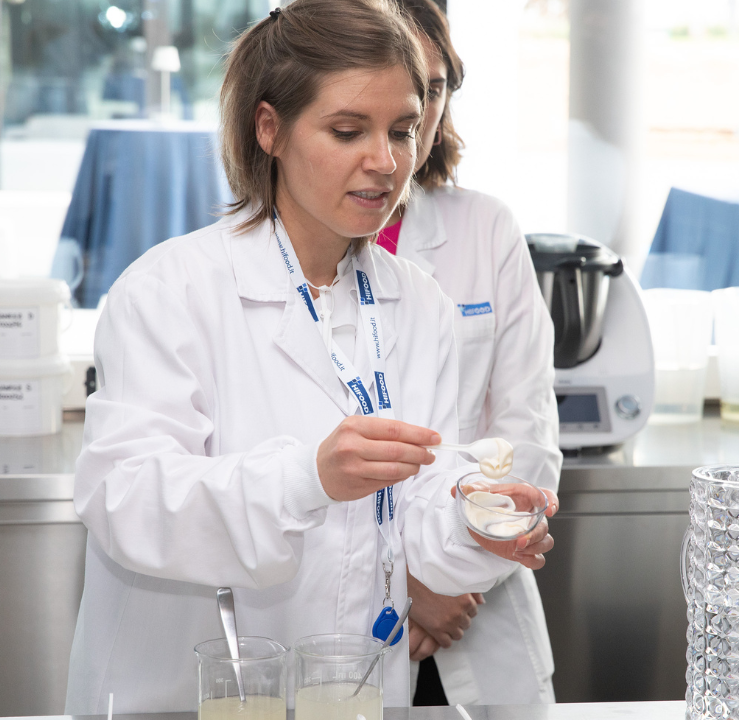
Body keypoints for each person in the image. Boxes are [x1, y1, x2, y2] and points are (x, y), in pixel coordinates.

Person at [63, 0, 558, 712]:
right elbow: (126, 500)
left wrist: (478, 524)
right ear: (270, 129)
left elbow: (417, 516)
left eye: (403, 130)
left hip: (351, 692)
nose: (385, 163)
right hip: (186, 694)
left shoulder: (420, 306)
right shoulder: (170, 291)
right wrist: (305, 478)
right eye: (347, 130)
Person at [380, 0, 561, 706]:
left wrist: (451, 576)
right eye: (399, 83)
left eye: (433, 87)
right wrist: (405, 585)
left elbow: (529, 436)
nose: (417, 111)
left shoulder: (484, 227)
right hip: (341, 626)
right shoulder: (278, 257)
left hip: (477, 617)